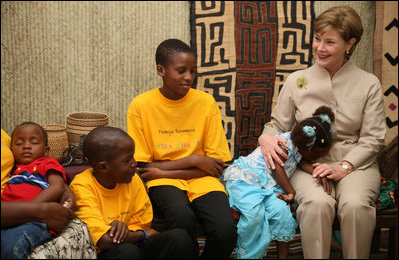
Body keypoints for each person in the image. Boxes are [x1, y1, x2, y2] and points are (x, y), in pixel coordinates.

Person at [258, 6, 386, 259]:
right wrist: (265, 138)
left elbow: (373, 139)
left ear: (350, 43)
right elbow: (276, 126)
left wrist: (345, 167)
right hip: (309, 164)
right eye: (317, 39)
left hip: (356, 163)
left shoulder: (368, 83)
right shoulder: (297, 80)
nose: (320, 48)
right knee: (317, 205)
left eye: (330, 42)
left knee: (355, 206)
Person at [127, 38, 236, 258]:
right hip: (162, 180)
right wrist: (195, 160)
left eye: (192, 71)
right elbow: (145, 168)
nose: (188, 78)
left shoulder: (205, 102)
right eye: (181, 71)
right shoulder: (141, 105)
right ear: (161, 70)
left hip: (201, 179)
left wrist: (167, 168)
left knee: (225, 230)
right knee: (181, 218)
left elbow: (215, 166)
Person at [223, 106, 334, 259]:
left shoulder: (299, 147)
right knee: (254, 217)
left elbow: (301, 163)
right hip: (245, 180)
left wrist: (318, 172)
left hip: (268, 186)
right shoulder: (283, 143)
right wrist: (291, 192)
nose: (313, 158)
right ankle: (248, 255)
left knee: (282, 214)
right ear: (306, 148)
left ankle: (283, 256)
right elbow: (277, 168)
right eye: (314, 155)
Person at [69, 125, 195, 259]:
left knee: (179, 238)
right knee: (127, 252)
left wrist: (126, 232)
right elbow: (105, 241)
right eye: (127, 160)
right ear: (103, 167)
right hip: (103, 253)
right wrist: (142, 235)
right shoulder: (81, 186)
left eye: (133, 157)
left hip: (134, 244)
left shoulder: (132, 178)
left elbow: (143, 224)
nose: (134, 164)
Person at [1, 122, 72, 258]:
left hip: (36, 221)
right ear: (11, 149)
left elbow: (57, 187)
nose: (26, 146)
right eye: (19, 143)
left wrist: (31, 209)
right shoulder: (13, 169)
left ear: (46, 150)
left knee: (11, 247)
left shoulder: (46, 163)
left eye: (34, 142)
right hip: (10, 218)